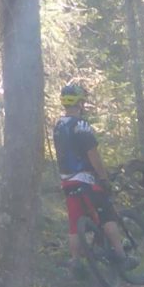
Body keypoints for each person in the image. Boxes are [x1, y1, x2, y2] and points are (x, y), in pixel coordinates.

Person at [53, 83, 124, 266]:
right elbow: (93, 154)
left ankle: (75, 261)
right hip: (86, 179)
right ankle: (121, 255)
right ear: (80, 103)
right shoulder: (82, 125)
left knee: (75, 224)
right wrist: (104, 177)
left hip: (67, 182)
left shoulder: (58, 126)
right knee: (107, 215)